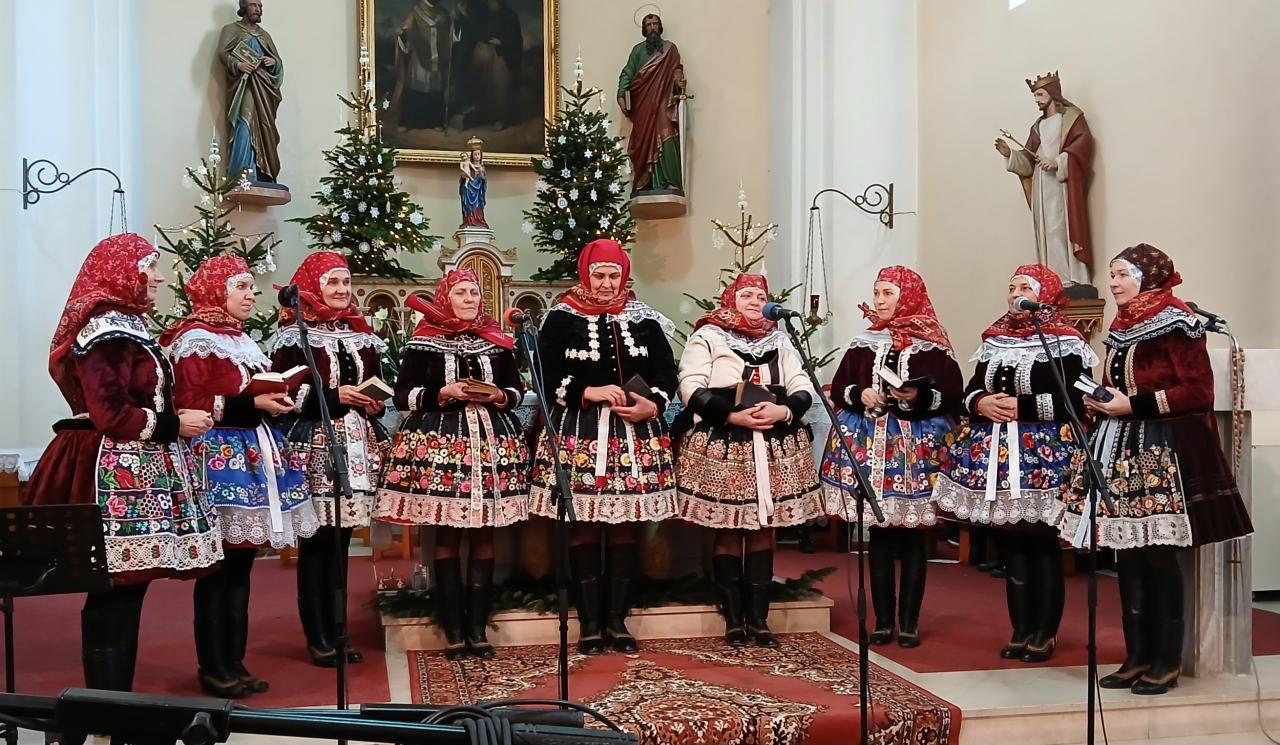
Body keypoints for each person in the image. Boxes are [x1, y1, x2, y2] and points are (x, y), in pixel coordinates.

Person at [24, 233, 223, 691]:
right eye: (150, 267)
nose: (159, 277)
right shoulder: (105, 332)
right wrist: (175, 425)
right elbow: (110, 412)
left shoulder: (129, 325)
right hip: (115, 473)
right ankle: (106, 704)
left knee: (128, 591)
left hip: (139, 469)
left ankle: (116, 702)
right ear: (122, 272)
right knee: (113, 593)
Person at [1051, 244, 1253, 694]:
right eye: (1112, 275)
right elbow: (1118, 385)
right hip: (1120, 446)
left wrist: (1133, 405)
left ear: (1148, 278)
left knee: (1158, 556)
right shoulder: (1122, 326)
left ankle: (1166, 660)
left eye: (1122, 275)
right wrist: (1099, 398)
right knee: (1128, 556)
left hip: (1162, 449)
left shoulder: (1179, 322)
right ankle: (1136, 655)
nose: (1114, 283)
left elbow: (1197, 391)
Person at [164, 256, 319, 696]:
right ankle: (213, 665)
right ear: (217, 290)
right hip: (217, 459)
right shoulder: (194, 339)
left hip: (251, 455)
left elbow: (256, 388)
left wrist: (279, 397)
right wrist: (253, 404)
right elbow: (190, 401)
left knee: (241, 566)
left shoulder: (241, 338)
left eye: (252, 287)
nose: (252, 295)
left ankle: (234, 660)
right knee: (219, 568)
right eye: (242, 287)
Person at [934, 264, 1095, 662]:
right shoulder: (995, 338)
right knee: (1014, 542)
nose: (1015, 293)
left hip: (1045, 456)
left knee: (1042, 542)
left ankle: (1045, 631)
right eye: (1011, 287)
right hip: (1002, 456)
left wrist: (1024, 407)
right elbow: (970, 390)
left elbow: (1077, 399)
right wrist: (982, 403)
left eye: (1025, 287)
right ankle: (1021, 628)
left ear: (1045, 294)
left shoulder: (1065, 341)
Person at [529, 239, 679, 655]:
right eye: (600, 275)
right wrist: (586, 391)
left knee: (625, 525)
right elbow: (543, 374)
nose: (608, 283)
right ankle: (590, 623)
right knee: (584, 524)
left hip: (636, 434)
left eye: (615, 275)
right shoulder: (561, 318)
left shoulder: (645, 320)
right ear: (585, 275)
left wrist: (654, 403)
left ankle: (617, 619)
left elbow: (667, 373)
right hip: (580, 432)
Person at [376, 269, 528, 660]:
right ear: (445, 297)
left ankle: (477, 629)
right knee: (446, 535)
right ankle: (454, 631)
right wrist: (441, 393)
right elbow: (402, 395)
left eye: (474, 292)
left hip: (492, 444)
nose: (469, 298)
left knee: (484, 536)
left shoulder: (495, 340)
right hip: (441, 446)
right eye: (461, 292)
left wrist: (499, 396)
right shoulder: (423, 341)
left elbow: (517, 388)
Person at [675, 274, 825, 648]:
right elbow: (690, 385)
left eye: (761, 295)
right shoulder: (709, 335)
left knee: (762, 528)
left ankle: (758, 619)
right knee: (729, 528)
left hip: (774, 439)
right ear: (731, 299)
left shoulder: (781, 339)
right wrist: (730, 415)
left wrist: (784, 410)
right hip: (725, 438)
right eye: (747, 295)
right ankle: (733, 619)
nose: (755, 301)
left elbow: (802, 384)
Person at [820, 266, 963, 648]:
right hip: (871, 448)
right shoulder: (863, 342)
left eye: (888, 293)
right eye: (877, 292)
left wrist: (918, 396)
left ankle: (909, 622)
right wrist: (859, 394)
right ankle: (883, 621)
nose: (880, 300)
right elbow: (840, 386)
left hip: (916, 452)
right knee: (879, 537)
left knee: (914, 541)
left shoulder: (932, 343)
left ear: (908, 296)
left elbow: (953, 393)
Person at [268, 251, 390, 666]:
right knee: (317, 542)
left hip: (355, 445)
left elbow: (374, 382)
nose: (342, 290)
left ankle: (339, 631)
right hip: (315, 444)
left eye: (346, 282)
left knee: (341, 543)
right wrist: (334, 396)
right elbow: (283, 391)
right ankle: (317, 635)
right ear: (312, 288)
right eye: (332, 283)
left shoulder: (359, 333)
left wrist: (373, 401)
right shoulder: (293, 336)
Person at [994, 72, 1094, 286]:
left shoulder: (1070, 118)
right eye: (1035, 96)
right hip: (1042, 184)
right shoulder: (1038, 126)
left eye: (1040, 94)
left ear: (1052, 93)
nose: (1037, 100)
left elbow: (1083, 144)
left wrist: (1058, 162)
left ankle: (1069, 278)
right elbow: (1028, 162)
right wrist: (1009, 154)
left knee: (1059, 229)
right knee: (1046, 231)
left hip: (1061, 185)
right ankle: (1051, 280)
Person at [616, 13, 686, 195]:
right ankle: (644, 182)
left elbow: (676, 69)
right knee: (642, 142)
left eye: (655, 24)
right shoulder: (638, 51)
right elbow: (627, 73)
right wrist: (621, 94)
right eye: (649, 25)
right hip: (643, 104)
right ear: (644, 29)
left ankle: (670, 181)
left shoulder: (670, 49)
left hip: (663, 101)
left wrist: (678, 80)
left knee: (667, 135)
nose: (653, 27)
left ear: (660, 27)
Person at [217, 0, 285, 183]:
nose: (258, 9)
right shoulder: (232, 29)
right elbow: (222, 53)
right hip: (244, 86)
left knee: (265, 126)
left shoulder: (265, 35)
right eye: (254, 5)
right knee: (244, 123)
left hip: (263, 89)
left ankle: (263, 173)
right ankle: (242, 173)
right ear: (244, 7)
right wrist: (237, 64)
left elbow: (277, 62)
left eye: (260, 6)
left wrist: (274, 63)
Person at [459, 137, 488, 228]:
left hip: (478, 191)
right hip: (469, 188)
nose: (477, 156)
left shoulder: (482, 167)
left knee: (478, 204)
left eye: (478, 154)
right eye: (475, 154)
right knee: (468, 205)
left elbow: (484, 180)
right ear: (472, 156)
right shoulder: (467, 164)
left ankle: (478, 220)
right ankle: (469, 220)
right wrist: (464, 177)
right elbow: (463, 177)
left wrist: (481, 177)